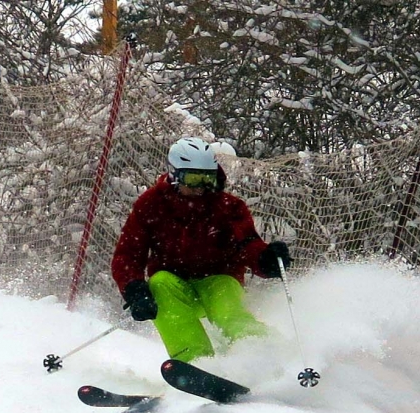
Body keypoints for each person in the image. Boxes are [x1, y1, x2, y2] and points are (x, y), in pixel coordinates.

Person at [111, 137, 292, 362]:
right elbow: (129, 252)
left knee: (227, 313)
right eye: (193, 178)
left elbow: (247, 243)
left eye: (207, 178)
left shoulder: (227, 206)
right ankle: (197, 361)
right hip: (175, 287)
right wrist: (133, 288)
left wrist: (265, 259)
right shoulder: (151, 205)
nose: (200, 187)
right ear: (174, 175)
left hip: (218, 279)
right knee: (159, 284)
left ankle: (268, 354)